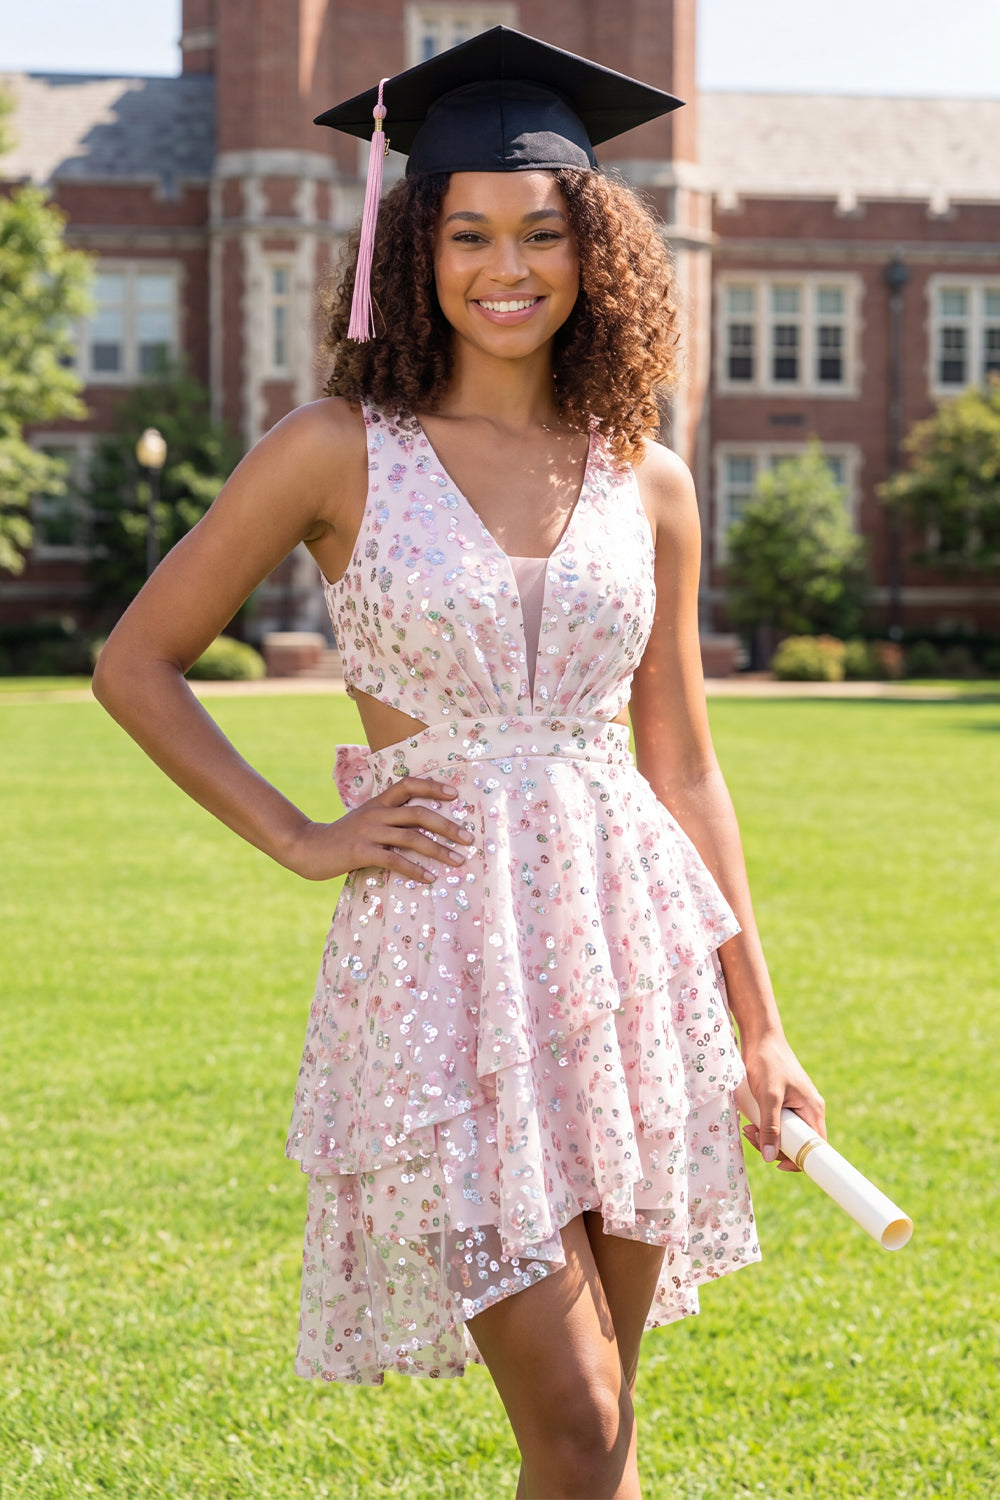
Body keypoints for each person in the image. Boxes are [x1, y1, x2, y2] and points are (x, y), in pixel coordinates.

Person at [93, 27, 825, 1500]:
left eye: (544, 234)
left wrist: (759, 1024)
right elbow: (135, 663)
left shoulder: (651, 479)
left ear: (592, 252)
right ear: (415, 248)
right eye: (470, 233)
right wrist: (302, 835)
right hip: (441, 978)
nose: (509, 267)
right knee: (570, 1422)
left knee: (603, 1427)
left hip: (626, 967)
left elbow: (681, 762)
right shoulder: (335, 451)